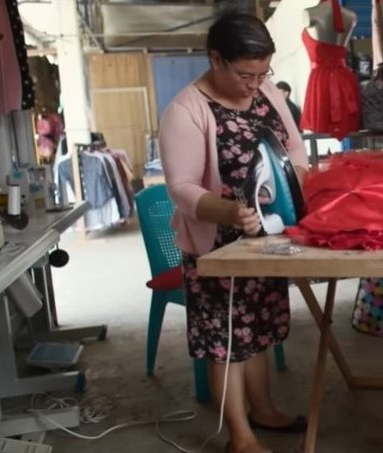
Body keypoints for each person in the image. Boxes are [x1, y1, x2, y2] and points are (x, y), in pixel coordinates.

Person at [158, 12, 309, 453]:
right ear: (216, 59)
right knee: (228, 340)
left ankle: (264, 410)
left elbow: (294, 146)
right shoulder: (187, 110)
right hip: (219, 243)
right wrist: (228, 211)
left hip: (269, 237)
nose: (255, 83)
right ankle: (239, 435)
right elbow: (182, 188)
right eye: (246, 74)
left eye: (264, 73)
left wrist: (294, 182)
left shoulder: (264, 92)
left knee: (260, 330)